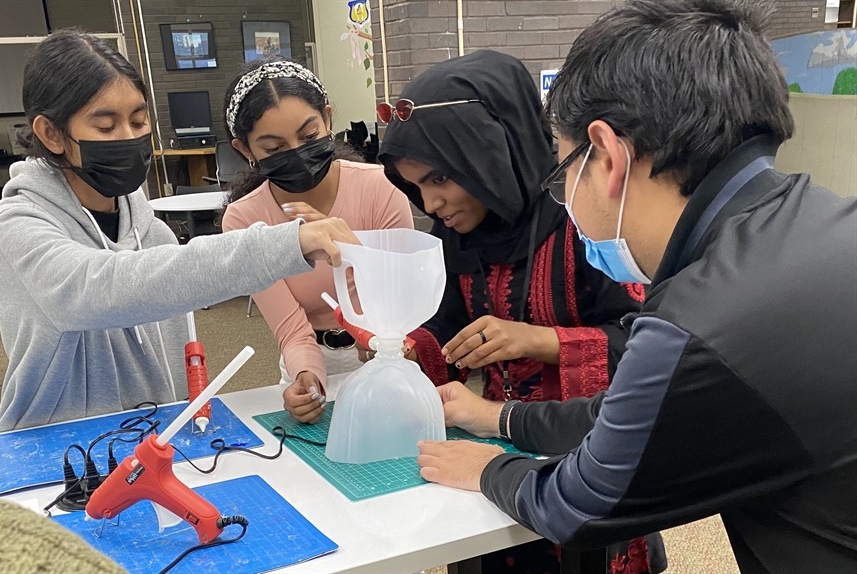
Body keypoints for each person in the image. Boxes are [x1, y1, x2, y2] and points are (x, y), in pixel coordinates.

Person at [415, 1, 857, 573]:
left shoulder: (699, 319)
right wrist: (496, 418)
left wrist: (485, 469)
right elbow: (625, 412)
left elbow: (577, 504)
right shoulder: (821, 222)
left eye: (564, 166)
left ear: (607, 155)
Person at [378, 51, 665, 574]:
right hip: (488, 443)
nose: (431, 203)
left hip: (586, 450)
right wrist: (399, 345)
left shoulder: (586, 217)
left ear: (488, 151)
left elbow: (648, 347)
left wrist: (536, 340)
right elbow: (446, 326)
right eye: (417, 186)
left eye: (440, 178)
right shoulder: (458, 231)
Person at [0, 30, 358, 432]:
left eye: (138, 120)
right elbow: (97, 290)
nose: (130, 139)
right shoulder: (18, 222)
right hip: (50, 445)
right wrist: (287, 242)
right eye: (107, 127)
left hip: (149, 434)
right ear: (51, 134)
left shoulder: (155, 236)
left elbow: (174, 362)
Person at [221, 58, 413, 425]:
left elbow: (397, 298)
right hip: (306, 360)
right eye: (274, 148)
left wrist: (378, 340)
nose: (296, 152)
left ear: (327, 119)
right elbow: (291, 328)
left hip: (384, 354)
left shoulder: (381, 188)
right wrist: (307, 379)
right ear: (245, 149)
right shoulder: (244, 220)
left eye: (308, 137)